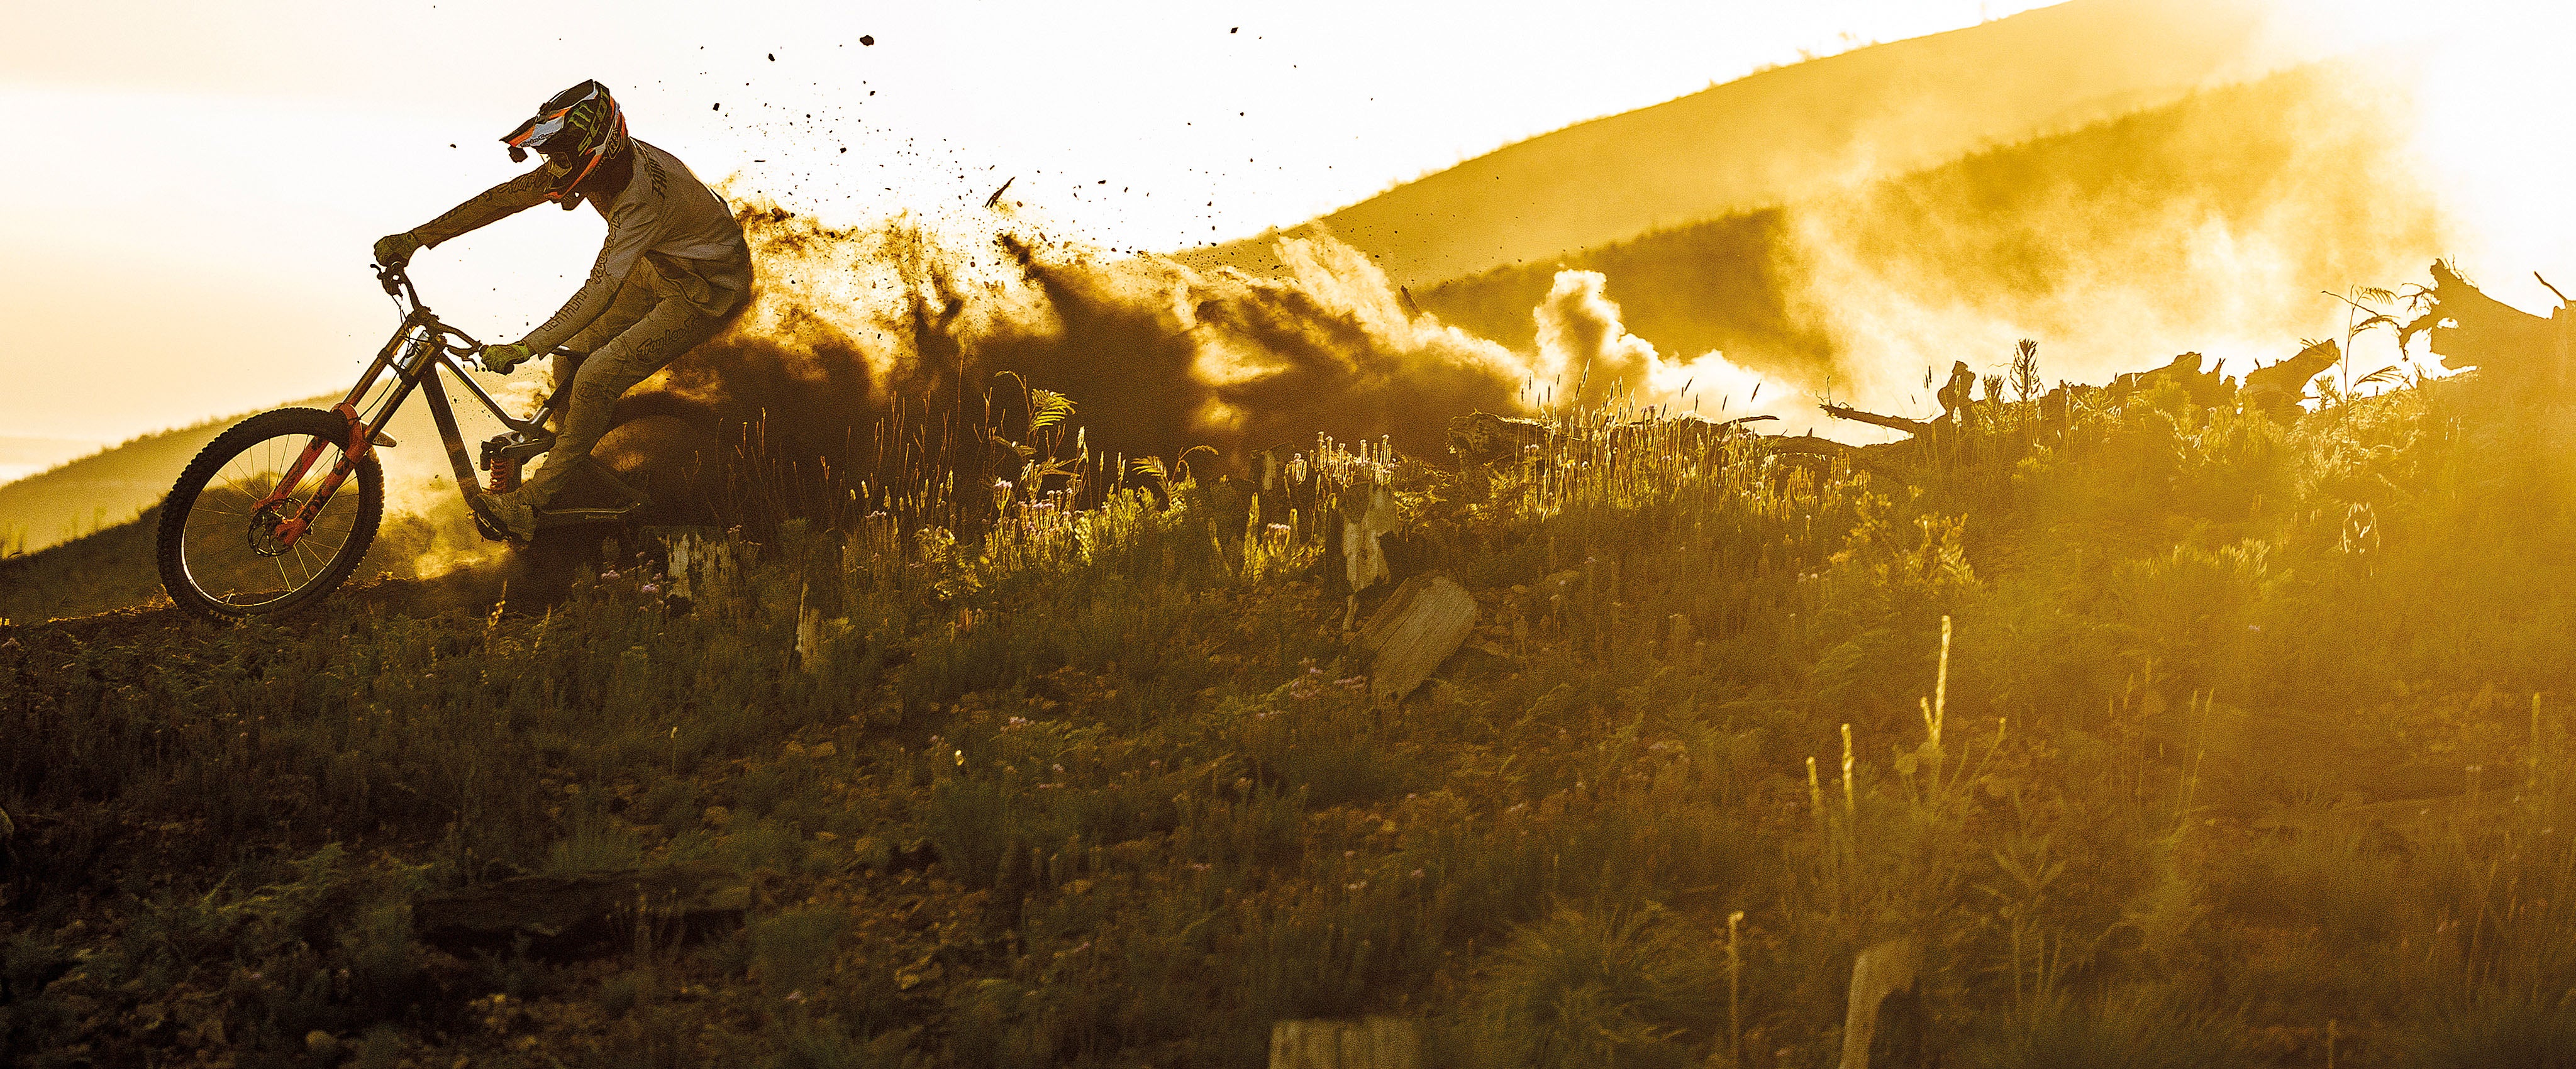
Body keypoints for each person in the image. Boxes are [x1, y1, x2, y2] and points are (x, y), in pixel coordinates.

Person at [372, 80, 750, 540]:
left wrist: (525, 345)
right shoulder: (609, 164)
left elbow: (600, 290)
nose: (555, 170)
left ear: (598, 150)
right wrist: (417, 237)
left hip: (705, 292)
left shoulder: (640, 200)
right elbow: (506, 199)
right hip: (660, 267)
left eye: (563, 159)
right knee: (569, 359)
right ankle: (580, 454)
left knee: (596, 375)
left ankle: (531, 505)